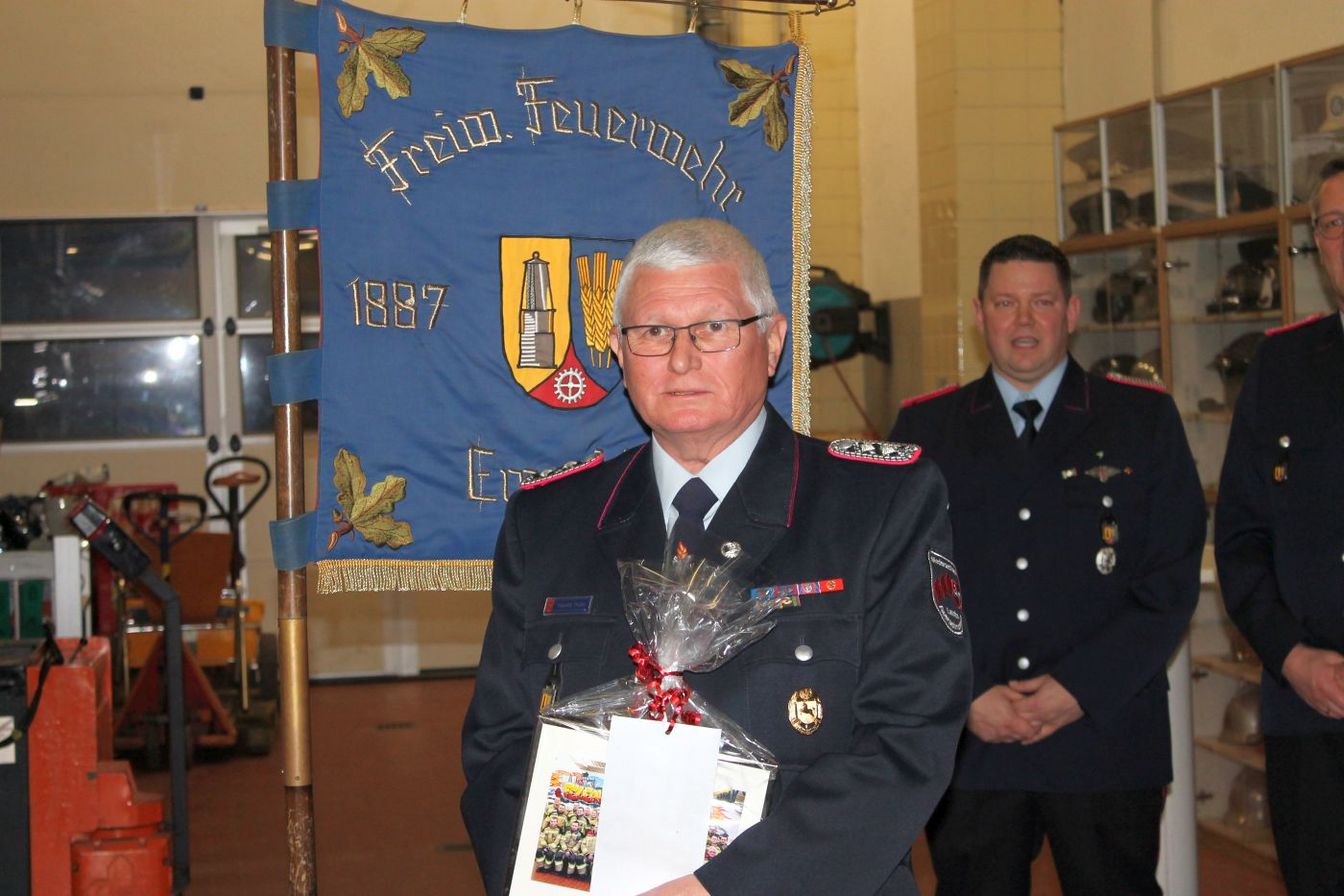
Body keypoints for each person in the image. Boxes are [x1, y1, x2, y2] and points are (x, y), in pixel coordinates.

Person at [461, 218, 972, 895]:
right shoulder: (550, 522)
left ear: (773, 342)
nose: (681, 360)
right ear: (618, 351)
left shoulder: (877, 506)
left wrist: (718, 890)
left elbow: (908, 741)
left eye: (714, 327)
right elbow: (499, 748)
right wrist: (551, 886)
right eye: (653, 332)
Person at [889, 234, 1205, 896]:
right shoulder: (927, 430)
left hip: (1105, 732)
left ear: (1072, 312)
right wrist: (967, 693)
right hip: (974, 739)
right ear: (979, 315)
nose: (1024, 321)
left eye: (1042, 302)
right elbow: (900, 584)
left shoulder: (1141, 420)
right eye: (1006, 303)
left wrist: (1079, 689)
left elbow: (1169, 578)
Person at [1214, 158, 1344, 895]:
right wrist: (1292, 657)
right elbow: (1241, 538)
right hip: (1308, 708)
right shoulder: (1283, 365)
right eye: (1333, 224)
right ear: (1317, 245)